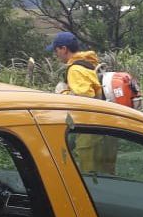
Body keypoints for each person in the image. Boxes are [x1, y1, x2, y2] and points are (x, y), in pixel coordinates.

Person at [48, 32, 117, 173]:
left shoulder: (75, 69)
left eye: (56, 50)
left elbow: (85, 99)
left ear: (64, 49)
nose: (56, 54)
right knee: (106, 173)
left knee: (90, 176)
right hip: (104, 126)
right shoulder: (89, 64)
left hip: (90, 129)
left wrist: (62, 93)